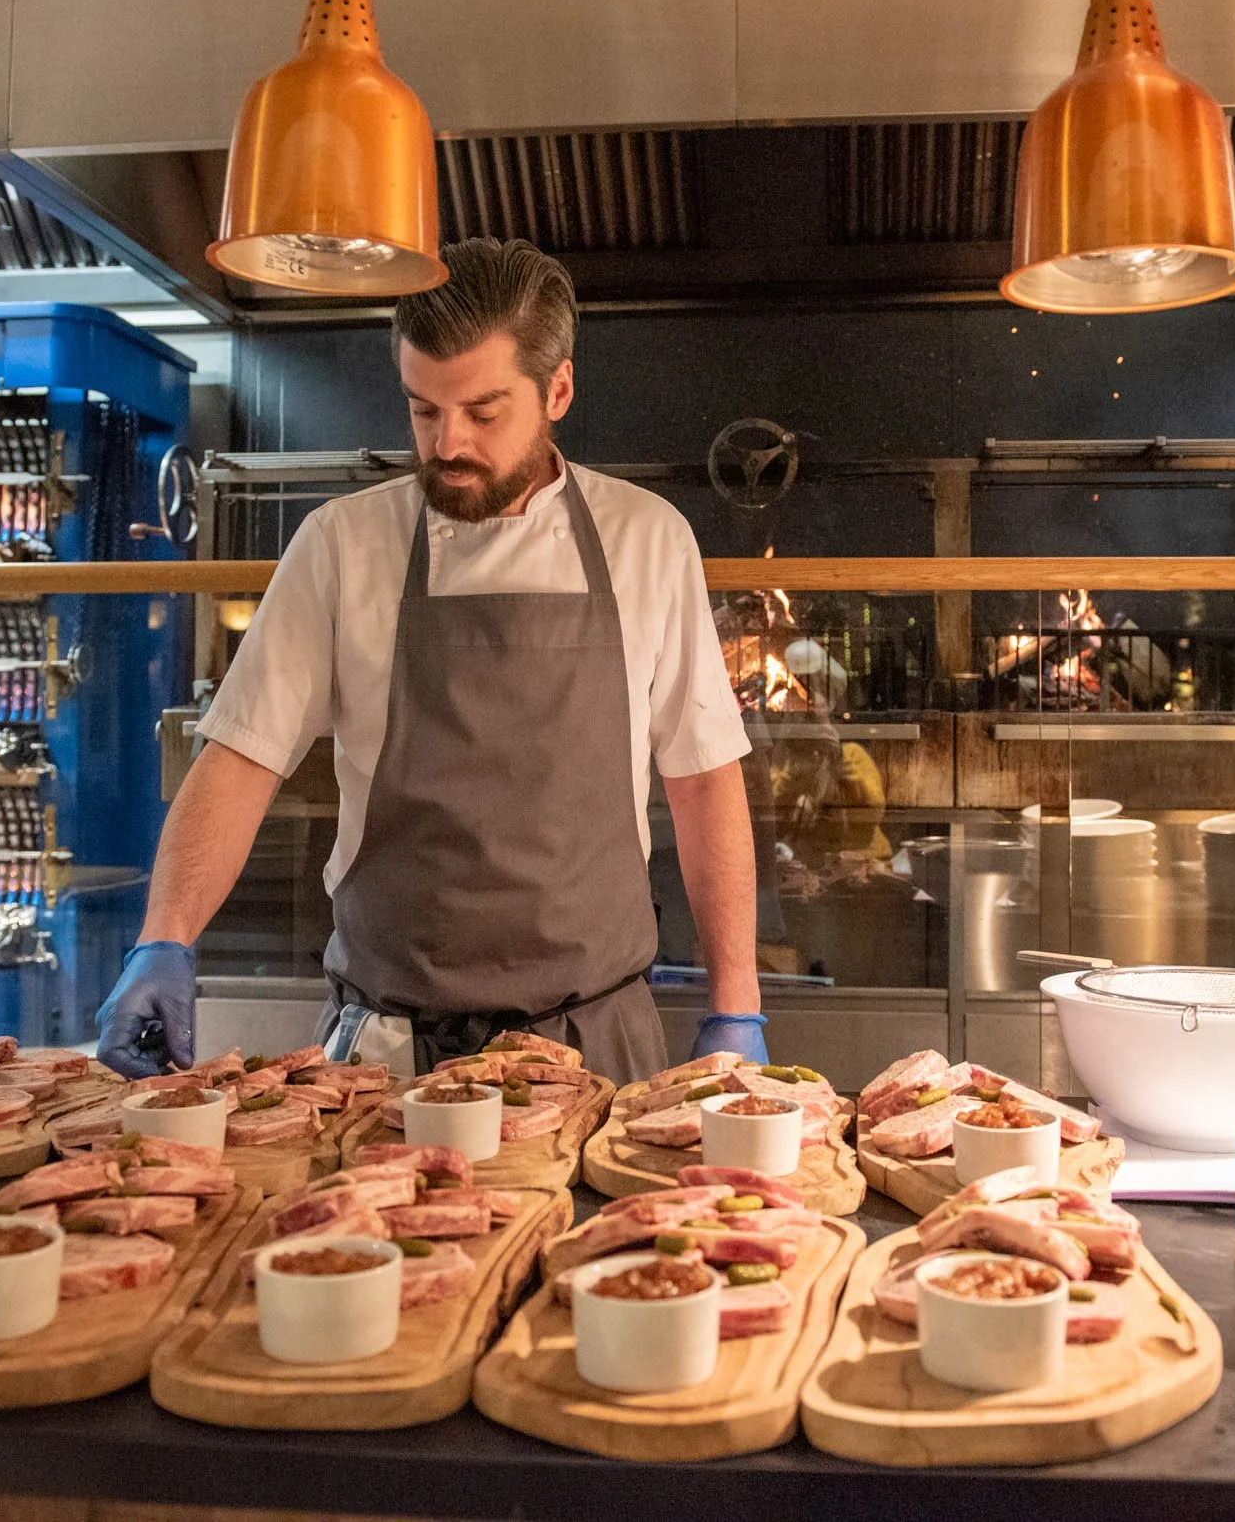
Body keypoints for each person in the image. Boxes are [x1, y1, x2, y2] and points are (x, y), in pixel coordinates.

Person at [95, 238, 765, 1083]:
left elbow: (704, 778)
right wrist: (165, 935)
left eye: (483, 413)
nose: (446, 443)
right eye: (422, 410)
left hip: (592, 1048)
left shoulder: (648, 540)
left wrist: (735, 1003)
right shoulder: (342, 545)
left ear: (557, 389)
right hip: (385, 1056)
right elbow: (239, 755)